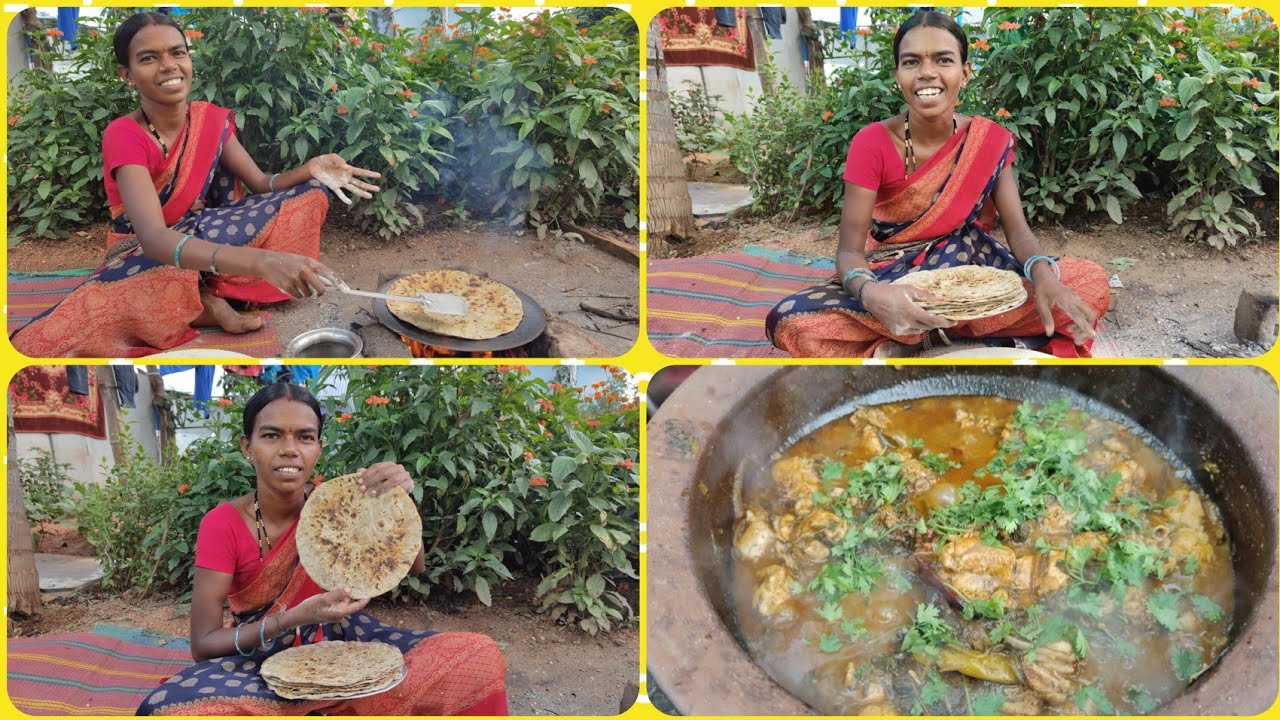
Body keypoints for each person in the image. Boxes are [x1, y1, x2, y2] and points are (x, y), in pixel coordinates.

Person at [11, 12, 381, 358]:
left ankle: (205, 294)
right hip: (143, 256)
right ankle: (207, 303)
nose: (168, 66)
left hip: (207, 237)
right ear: (127, 74)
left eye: (177, 53)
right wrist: (263, 261)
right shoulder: (123, 135)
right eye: (149, 58)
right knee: (61, 330)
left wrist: (311, 168)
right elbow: (154, 239)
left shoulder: (209, 120)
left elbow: (262, 183)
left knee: (310, 194)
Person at [137, 382, 508, 715]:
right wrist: (291, 619)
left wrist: (398, 503)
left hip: (348, 641)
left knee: (477, 656)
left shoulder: (340, 505)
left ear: (319, 447)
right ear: (247, 447)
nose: (289, 450)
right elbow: (203, 646)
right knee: (169, 710)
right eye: (271, 435)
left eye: (305, 437)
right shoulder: (223, 523)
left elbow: (415, 567)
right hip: (259, 653)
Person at [766, 11, 1110, 358]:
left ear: (965, 72)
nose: (927, 72)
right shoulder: (871, 143)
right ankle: (958, 335)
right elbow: (848, 252)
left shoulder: (989, 140)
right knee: (793, 323)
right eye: (911, 61)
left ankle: (923, 337)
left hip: (974, 272)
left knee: (1090, 283)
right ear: (897, 75)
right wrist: (872, 296)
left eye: (943, 60)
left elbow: (1019, 233)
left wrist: (1043, 276)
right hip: (894, 276)